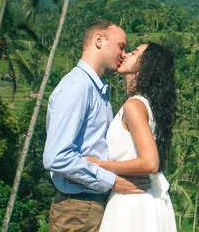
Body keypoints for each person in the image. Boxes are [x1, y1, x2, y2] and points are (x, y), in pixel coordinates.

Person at [44, 20, 150, 232]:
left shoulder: (97, 91)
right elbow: (56, 156)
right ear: (99, 40)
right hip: (78, 208)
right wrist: (112, 181)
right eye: (121, 46)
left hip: (91, 205)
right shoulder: (78, 87)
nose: (123, 53)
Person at [88, 42, 178, 231]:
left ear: (146, 65)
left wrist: (101, 166)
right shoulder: (146, 104)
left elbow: (150, 162)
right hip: (145, 197)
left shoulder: (135, 106)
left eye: (134, 52)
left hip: (134, 203)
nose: (126, 54)